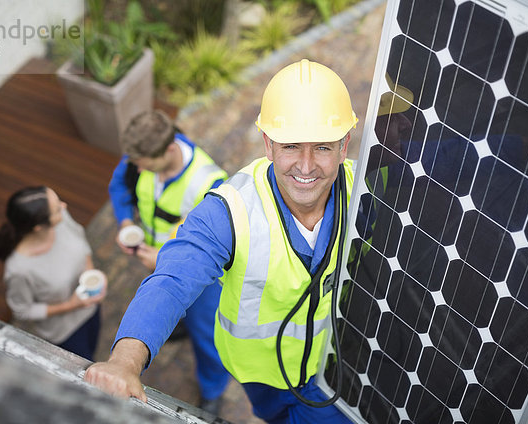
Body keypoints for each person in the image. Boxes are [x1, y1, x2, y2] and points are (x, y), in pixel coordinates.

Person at [86, 59, 357, 423]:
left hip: (332, 367)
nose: (306, 166)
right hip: (260, 374)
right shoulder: (229, 210)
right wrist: (124, 362)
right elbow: (172, 281)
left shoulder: (367, 192)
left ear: (344, 146)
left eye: (323, 147)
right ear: (268, 145)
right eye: (291, 146)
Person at [108, 110, 230, 413]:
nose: (136, 168)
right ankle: (180, 323)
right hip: (158, 260)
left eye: (143, 164)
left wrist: (163, 259)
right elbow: (119, 186)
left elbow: (215, 246)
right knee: (172, 309)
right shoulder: (142, 156)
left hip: (203, 281)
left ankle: (213, 390)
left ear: (170, 149)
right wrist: (125, 222)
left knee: (209, 337)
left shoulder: (210, 184)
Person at [0, 186, 106, 361]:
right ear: (38, 227)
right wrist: (71, 305)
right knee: (85, 365)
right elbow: (22, 311)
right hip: (65, 332)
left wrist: (91, 273)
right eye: (57, 209)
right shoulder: (19, 269)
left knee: (94, 346)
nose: (64, 205)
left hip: (90, 308)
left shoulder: (61, 219)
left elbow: (79, 236)